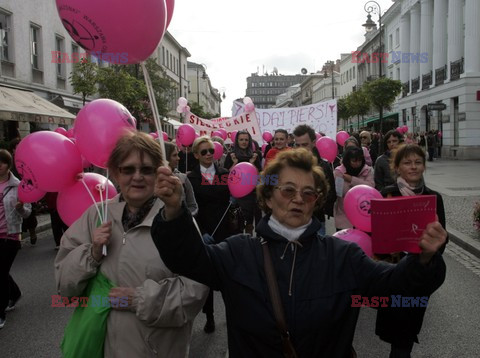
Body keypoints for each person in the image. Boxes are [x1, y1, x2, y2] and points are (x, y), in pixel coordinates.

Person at [152, 148, 447, 357]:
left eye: (308, 193)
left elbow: (394, 285)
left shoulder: (342, 256)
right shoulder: (238, 252)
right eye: (287, 190)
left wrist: (424, 258)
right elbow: (188, 258)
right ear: (267, 197)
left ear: (316, 201)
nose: (298, 200)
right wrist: (174, 210)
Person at [54, 131, 208, 356]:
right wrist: (92, 254)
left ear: (158, 174)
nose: (137, 177)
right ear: (116, 173)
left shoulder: (176, 219)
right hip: (100, 347)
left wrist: (139, 299)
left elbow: (195, 291)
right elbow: (64, 287)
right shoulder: (95, 216)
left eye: (146, 170)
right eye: (128, 169)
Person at [375, 143, 448, 358]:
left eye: (418, 162)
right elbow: (374, 235)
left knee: (408, 328)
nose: (413, 167)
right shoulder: (387, 194)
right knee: (393, 323)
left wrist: (434, 247)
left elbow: (443, 238)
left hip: (419, 272)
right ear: (397, 168)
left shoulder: (435, 197)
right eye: (407, 163)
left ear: (424, 167)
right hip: (392, 270)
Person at [187, 136, 231, 333]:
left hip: (224, 230)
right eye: (203, 152)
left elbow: (239, 190)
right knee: (207, 277)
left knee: (228, 274)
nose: (208, 155)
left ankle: (233, 312)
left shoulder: (224, 173)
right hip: (203, 231)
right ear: (196, 154)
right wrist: (201, 232)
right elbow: (189, 208)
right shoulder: (191, 178)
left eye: (211, 151)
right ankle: (210, 315)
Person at [0, 149, 32, 329]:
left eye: (2, 162)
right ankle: (15, 292)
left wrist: (20, 208)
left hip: (10, 235)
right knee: (1, 272)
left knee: (0, 273)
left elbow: (27, 213)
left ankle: (0, 311)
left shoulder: (18, 186)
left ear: (9, 165)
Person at [293, 124, 336, 236]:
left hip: (316, 221)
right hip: (293, 222)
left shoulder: (323, 166)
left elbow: (331, 195)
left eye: (305, 144)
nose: (301, 148)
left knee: (318, 253)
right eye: (297, 145)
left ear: (313, 143)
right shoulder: (289, 165)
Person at [224, 130, 262, 234]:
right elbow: (227, 175)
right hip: (236, 194)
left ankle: (249, 241)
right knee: (237, 221)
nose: (244, 142)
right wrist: (234, 163)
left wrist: (252, 163)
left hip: (251, 192)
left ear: (249, 141)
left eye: (246, 139)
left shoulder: (255, 155)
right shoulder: (231, 155)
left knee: (250, 221)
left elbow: (259, 175)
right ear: (237, 141)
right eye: (241, 139)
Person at [334, 146, 374, 231]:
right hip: (344, 215)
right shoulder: (339, 172)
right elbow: (340, 192)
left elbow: (370, 187)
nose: (357, 164)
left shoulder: (367, 170)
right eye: (354, 161)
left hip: (363, 213)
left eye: (360, 161)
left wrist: (352, 179)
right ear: (348, 161)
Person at [9, 138, 38, 245]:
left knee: (30, 214)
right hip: (14, 189)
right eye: (15, 147)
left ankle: (32, 233)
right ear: (12, 150)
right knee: (16, 213)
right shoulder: (9, 161)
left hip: (28, 188)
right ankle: (17, 238)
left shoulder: (27, 158)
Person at [164, 141, 198, 216]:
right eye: (174, 155)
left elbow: (193, 206)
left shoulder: (183, 178)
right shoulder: (150, 180)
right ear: (165, 157)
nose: (178, 158)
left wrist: (185, 218)